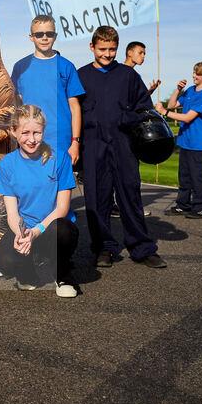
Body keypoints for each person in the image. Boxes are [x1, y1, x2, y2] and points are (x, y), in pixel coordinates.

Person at [77, 26, 166, 269]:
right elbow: (71, 112)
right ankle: (104, 247)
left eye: (112, 49)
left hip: (123, 144)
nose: (107, 54)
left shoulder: (128, 76)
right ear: (92, 47)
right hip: (93, 146)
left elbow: (144, 110)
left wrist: (122, 118)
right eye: (102, 49)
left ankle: (142, 247)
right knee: (97, 200)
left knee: (130, 196)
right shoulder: (80, 76)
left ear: (118, 48)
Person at [0, 105, 80, 297]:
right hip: (26, 229)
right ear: (14, 132)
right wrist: (21, 234)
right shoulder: (7, 164)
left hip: (51, 228)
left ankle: (63, 274)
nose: (32, 139)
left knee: (64, 231)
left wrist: (36, 231)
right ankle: (28, 273)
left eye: (37, 133)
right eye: (25, 133)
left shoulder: (60, 158)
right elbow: (12, 213)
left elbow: (63, 208)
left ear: (44, 130)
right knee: (4, 260)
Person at [10, 14, 84, 169]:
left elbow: (75, 107)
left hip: (61, 140)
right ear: (31, 37)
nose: (44, 38)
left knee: (59, 189)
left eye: (49, 34)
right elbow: (17, 106)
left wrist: (75, 142)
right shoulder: (20, 67)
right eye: (39, 34)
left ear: (55, 36)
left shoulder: (67, 66)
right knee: (32, 189)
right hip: (29, 139)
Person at [157, 61, 202, 219]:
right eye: (194, 72)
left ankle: (201, 207)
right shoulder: (190, 90)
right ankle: (183, 205)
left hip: (199, 143)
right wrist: (178, 90)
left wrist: (164, 113)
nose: (193, 76)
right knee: (184, 177)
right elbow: (172, 105)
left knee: (198, 177)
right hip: (186, 141)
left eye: (197, 74)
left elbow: (188, 117)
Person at [112, 40, 160, 218]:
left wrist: (149, 92)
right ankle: (119, 207)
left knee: (130, 174)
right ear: (129, 52)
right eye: (141, 52)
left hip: (130, 129)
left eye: (145, 53)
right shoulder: (118, 72)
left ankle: (131, 208)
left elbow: (135, 103)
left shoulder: (135, 76)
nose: (143, 56)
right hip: (117, 129)